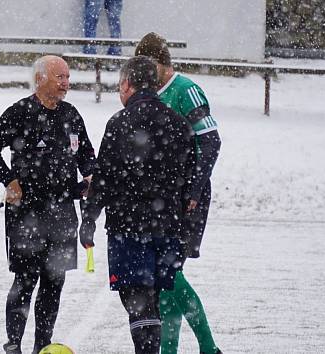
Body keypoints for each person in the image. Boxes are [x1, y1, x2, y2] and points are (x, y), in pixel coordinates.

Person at [0, 55, 96, 354]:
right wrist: (8, 180)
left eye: (68, 77)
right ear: (40, 79)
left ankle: (42, 345)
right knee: (25, 280)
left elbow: (86, 155)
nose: (66, 83)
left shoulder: (71, 115)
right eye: (60, 78)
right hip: (26, 213)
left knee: (54, 282)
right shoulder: (20, 112)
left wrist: (91, 177)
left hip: (63, 213)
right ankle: (13, 344)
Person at [79, 56, 195, 354]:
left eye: (121, 85)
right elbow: (191, 182)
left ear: (128, 84)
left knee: (137, 300)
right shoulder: (179, 124)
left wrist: (89, 218)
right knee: (154, 298)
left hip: (128, 227)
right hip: (167, 226)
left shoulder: (119, 122)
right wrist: (186, 228)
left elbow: (103, 178)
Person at [135, 32, 222, 354]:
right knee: (166, 279)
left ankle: (206, 347)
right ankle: (186, 349)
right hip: (164, 199)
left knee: (169, 275)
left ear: (159, 64)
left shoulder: (187, 91)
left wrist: (194, 189)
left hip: (187, 196)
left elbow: (211, 142)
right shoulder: (151, 94)